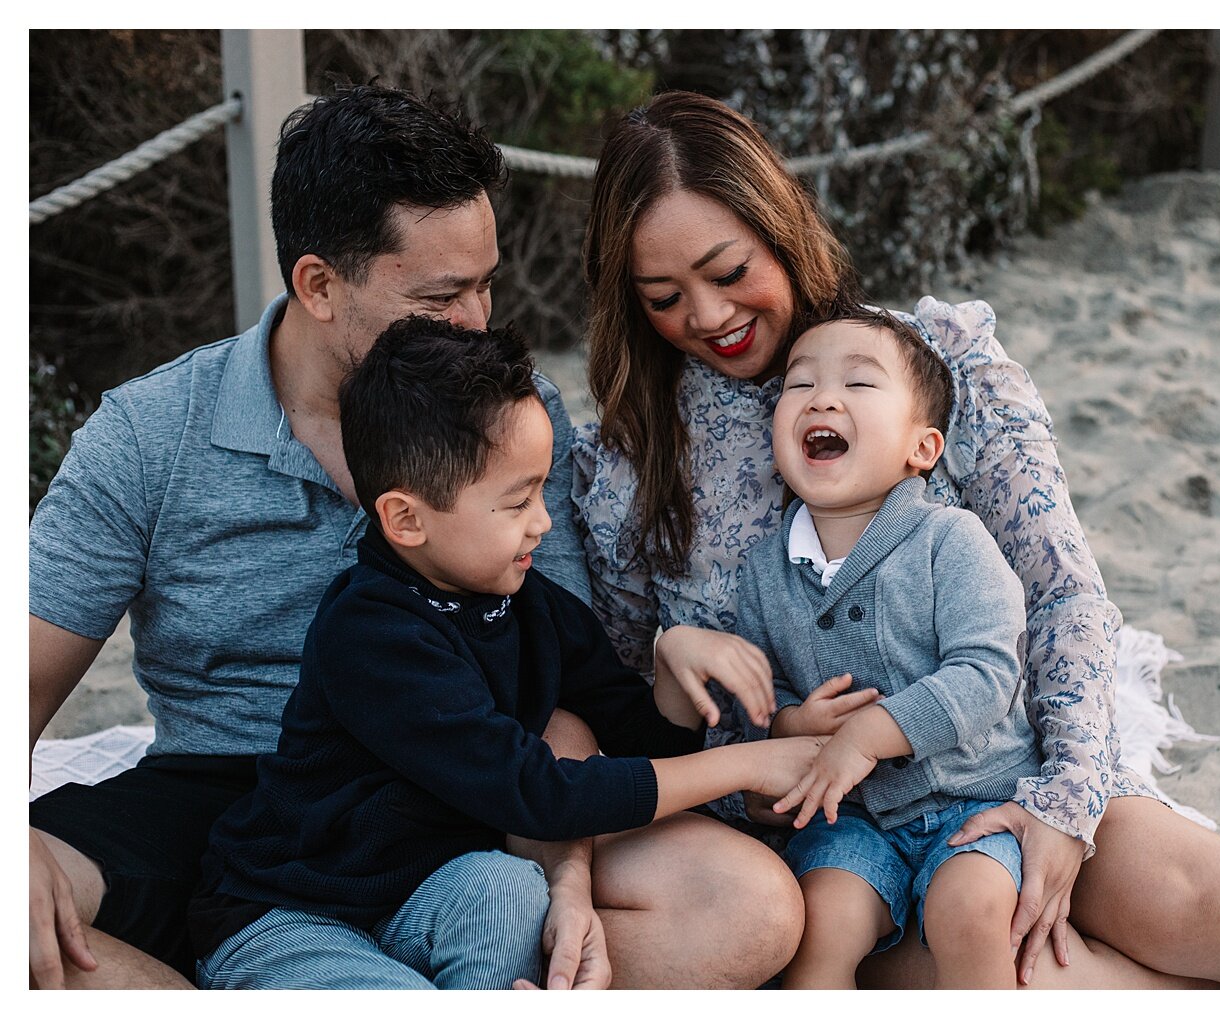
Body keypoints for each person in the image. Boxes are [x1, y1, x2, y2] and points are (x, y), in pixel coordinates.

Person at [572, 89, 1220, 989]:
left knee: (1179, 896)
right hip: (825, 846)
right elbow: (636, 722)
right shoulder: (629, 470)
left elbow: (1063, 593)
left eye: (730, 271)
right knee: (1039, 975)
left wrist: (1065, 802)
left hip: (1005, 760)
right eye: (664, 296)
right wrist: (725, 707)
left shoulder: (937, 365)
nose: (708, 314)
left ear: (782, 229)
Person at [29, 83, 805, 991]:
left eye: (486, 283)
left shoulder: (512, 421)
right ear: (319, 284)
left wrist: (567, 878)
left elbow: (550, 685)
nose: (478, 322)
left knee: (749, 903)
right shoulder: (150, 432)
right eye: (443, 295)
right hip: (221, 797)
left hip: (465, 804)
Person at [189, 315, 820, 989]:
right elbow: (539, 793)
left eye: (541, 491)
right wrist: (746, 762)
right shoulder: (372, 634)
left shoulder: (530, 607)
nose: (543, 521)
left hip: (428, 896)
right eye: (517, 501)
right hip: (294, 912)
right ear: (406, 518)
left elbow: (638, 745)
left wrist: (673, 663)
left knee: (512, 887)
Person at [740, 307, 1042, 989]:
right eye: (799, 384)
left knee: (972, 909)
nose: (823, 397)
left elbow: (989, 671)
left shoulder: (950, 540)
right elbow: (758, 697)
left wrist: (870, 733)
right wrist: (787, 722)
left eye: (860, 384)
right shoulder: (764, 573)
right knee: (822, 923)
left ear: (922, 448)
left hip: (974, 800)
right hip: (853, 819)